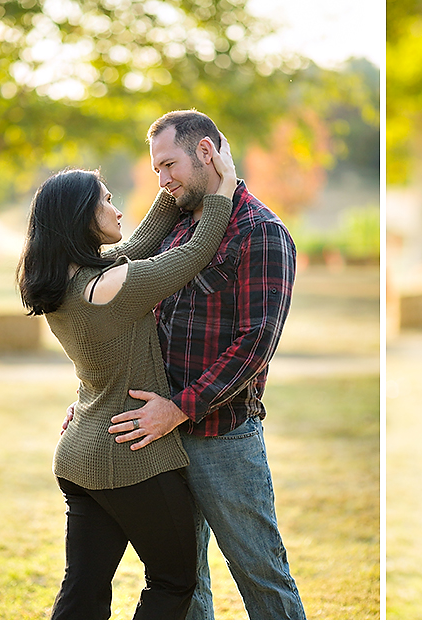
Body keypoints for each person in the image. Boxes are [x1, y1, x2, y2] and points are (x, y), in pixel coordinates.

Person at [16, 136, 238, 618]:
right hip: (130, 459)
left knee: (83, 591)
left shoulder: (69, 283)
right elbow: (197, 251)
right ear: (82, 218)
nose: (118, 212)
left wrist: (172, 187)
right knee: (175, 580)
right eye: (108, 201)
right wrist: (225, 184)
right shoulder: (116, 285)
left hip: (79, 455)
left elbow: (140, 243)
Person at [100, 110, 305, 619]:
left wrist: (179, 408)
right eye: (156, 171)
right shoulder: (177, 227)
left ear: (207, 153)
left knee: (262, 575)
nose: (163, 180)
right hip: (162, 438)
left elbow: (256, 344)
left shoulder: (261, 231)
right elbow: (132, 310)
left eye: (169, 165)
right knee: (184, 582)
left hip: (223, 441)